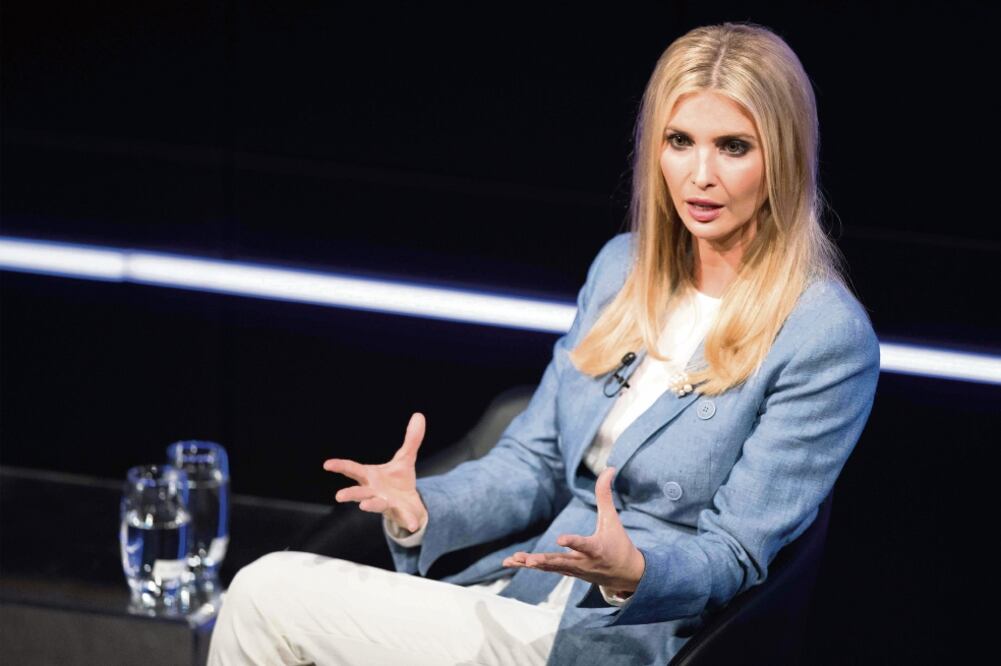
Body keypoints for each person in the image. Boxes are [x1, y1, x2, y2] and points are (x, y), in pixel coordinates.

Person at [207, 21, 880, 665]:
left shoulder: (823, 335)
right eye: (679, 140)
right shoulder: (622, 267)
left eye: (733, 146)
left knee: (266, 593)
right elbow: (530, 464)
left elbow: (734, 554)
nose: (699, 174)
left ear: (783, 157)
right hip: (526, 595)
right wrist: (424, 505)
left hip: (625, 635)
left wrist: (633, 570)